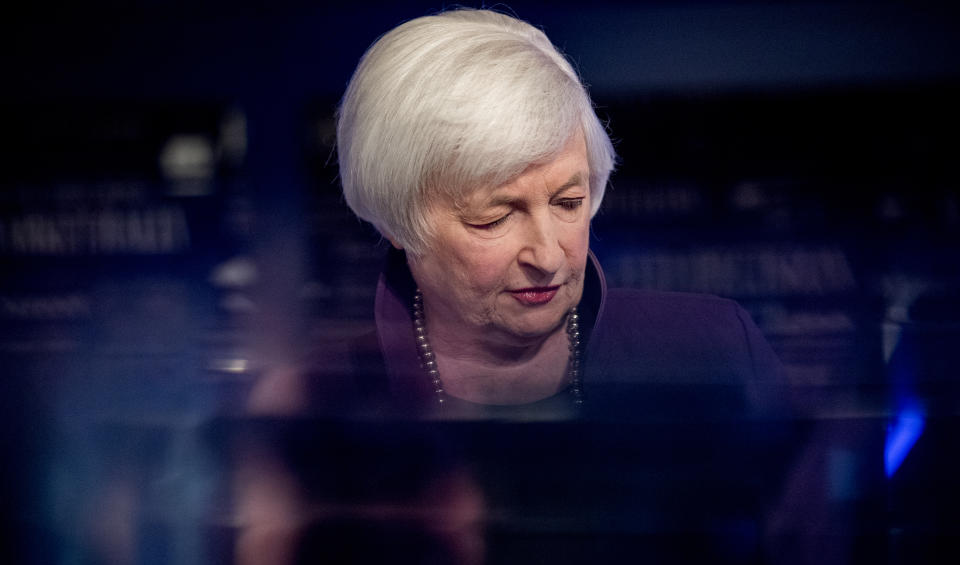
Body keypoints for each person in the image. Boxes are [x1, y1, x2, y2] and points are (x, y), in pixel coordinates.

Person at [250, 7, 790, 423]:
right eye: (494, 218)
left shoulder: (713, 350)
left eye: (569, 204)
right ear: (396, 222)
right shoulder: (316, 400)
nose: (549, 255)